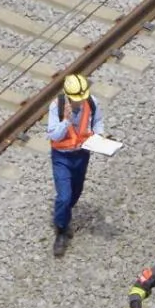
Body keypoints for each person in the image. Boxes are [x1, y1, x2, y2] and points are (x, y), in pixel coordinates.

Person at [47, 72, 104, 256]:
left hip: (81, 154)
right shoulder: (56, 107)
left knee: (76, 191)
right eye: (76, 100)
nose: (79, 102)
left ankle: (64, 214)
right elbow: (53, 135)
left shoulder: (92, 102)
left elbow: (98, 123)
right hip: (61, 157)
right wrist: (66, 121)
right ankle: (61, 229)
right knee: (64, 196)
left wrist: (100, 137)